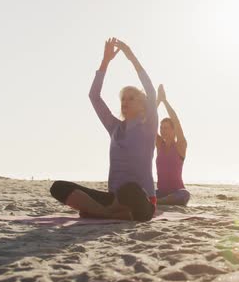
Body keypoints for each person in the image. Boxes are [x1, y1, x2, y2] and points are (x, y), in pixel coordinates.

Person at [50, 38, 158, 221]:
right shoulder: (114, 127)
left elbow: (151, 91)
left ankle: (103, 211)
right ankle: (107, 212)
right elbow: (94, 96)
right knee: (58, 187)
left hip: (141, 200)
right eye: (123, 99)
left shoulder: (148, 126)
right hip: (113, 199)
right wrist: (105, 61)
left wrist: (131, 57)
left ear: (143, 106)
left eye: (131, 98)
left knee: (129, 189)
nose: (125, 102)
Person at [155, 84, 191, 205]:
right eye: (161, 128)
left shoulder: (180, 145)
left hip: (177, 193)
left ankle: (158, 202)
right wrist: (157, 100)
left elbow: (176, 120)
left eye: (166, 128)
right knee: (143, 190)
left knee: (185, 194)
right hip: (160, 192)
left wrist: (164, 101)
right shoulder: (160, 145)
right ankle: (159, 200)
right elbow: (148, 122)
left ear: (173, 130)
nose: (162, 130)